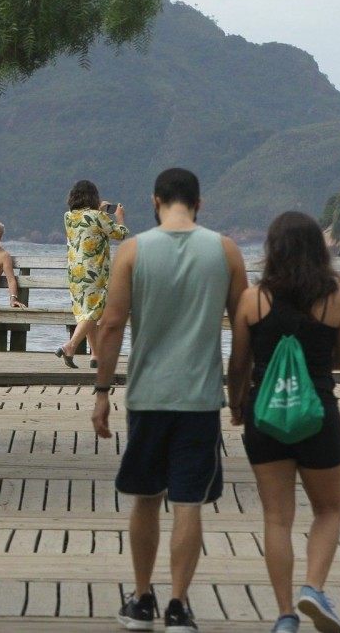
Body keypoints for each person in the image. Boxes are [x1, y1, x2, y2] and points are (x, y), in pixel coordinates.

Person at [91, 168, 248, 633]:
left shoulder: (134, 250)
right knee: (188, 503)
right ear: (199, 203)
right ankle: (179, 606)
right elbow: (244, 328)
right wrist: (239, 392)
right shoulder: (226, 251)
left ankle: (141, 600)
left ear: (155, 200)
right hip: (200, 399)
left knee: (144, 497)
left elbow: (113, 324)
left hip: (148, 396)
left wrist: (101, 393)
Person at [228, 211, 340, 633]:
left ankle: (285, 615)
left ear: (272, 249)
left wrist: (235, 405)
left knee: (277, 518)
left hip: (264, 414)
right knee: (329, 509)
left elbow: (239, 363)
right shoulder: (336, 298)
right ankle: (314, 588)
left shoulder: (253, 298)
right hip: (317, 412)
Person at [57, 180, 128, 369]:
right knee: (95, 311)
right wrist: (119, 216)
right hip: (95, 273)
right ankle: (70, 346)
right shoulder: (97, 216)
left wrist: (100, 212)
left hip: (75, 273)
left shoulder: (68, 216)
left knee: (86, 313)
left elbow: (90, 228)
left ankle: (96, 355)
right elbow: (119, 234)